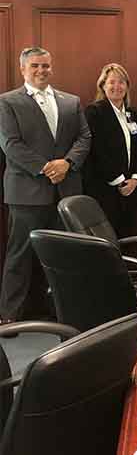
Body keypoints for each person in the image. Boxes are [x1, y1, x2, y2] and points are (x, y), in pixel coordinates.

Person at [0, 47, 91, 323]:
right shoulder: (7, 102)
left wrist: (67, 163)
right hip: (27, 193)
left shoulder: (70, 101)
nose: (42, 71)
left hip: (66, 193)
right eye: (36, 66)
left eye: (46, 66)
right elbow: (10, 144)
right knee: (20, 255)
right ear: (23, 69)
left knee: (66, 255)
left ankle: (67, 314)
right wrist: (46, 168)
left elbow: (84, 137)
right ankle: (9, 316)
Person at [84, 63, 137, 238]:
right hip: (105, 189)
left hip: (132, 189)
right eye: (112, 82)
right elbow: (97, 151)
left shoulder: (135, 114)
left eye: (121, 82)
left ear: (127, 86)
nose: (117, 87)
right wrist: (119, 181)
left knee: (127, 236)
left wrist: (135, 179)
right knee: (107, 240)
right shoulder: (94, 112)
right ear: (103, 86)